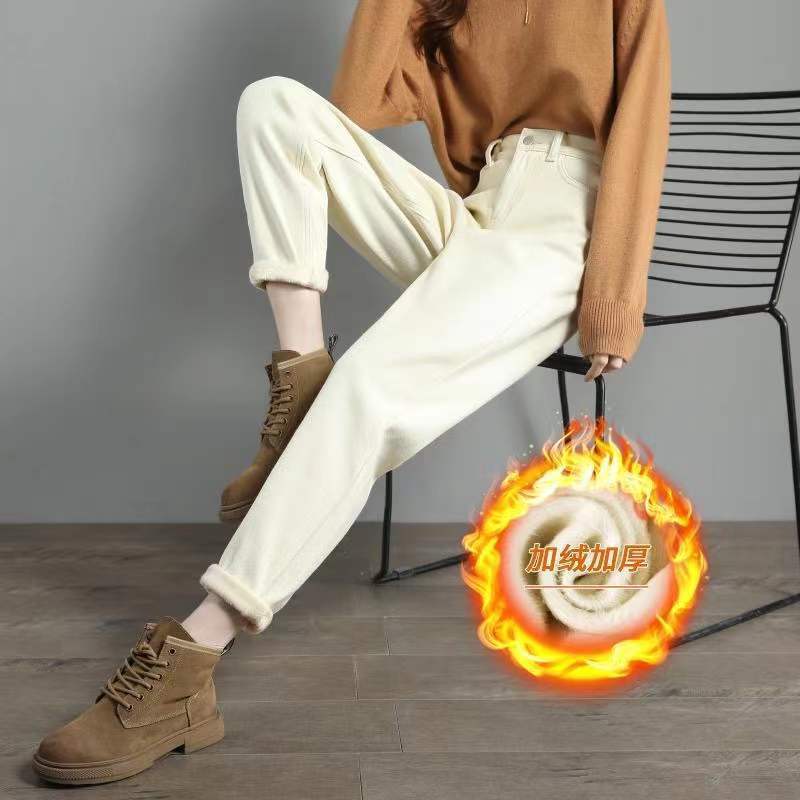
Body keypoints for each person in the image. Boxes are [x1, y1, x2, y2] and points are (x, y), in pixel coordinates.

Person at [32, 0, 671, 785]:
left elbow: (644, 120)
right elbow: (360, 98)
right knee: (275, 106)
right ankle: (302, 378)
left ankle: (191, 659)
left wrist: (613, 299)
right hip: (483, 205)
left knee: (368, 386)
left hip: (566, 225)